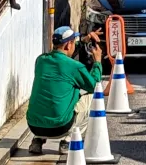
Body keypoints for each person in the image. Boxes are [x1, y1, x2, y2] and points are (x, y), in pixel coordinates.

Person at [26, 26, 103, 155]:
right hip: (61, 127)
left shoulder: (40, 61)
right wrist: (97, 62)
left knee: (49, 96)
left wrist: (84, 40)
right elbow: (94, 85)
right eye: (74, 42)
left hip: (34, 126)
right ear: (68, 44)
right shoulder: (75, 67)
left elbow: (64, 53)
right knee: (92, 97)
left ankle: (37, 141)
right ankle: (67, 142)